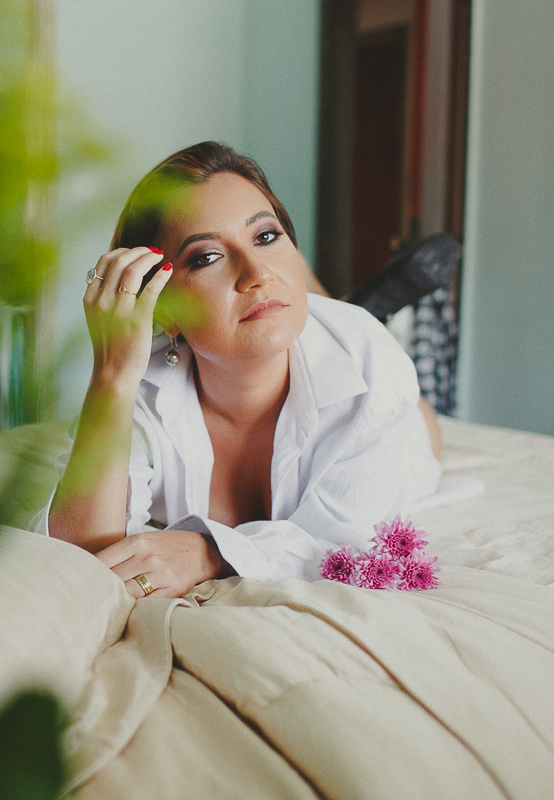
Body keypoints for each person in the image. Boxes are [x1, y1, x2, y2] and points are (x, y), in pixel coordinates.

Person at [34, 142, 441, 599]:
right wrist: (111, 377)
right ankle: (317, 295)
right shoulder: (138, 383)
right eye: (207, 257)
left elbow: (349, 545)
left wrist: (209, 551)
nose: (255, 273)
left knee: (420, 422)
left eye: (266, 237)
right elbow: (79, 554)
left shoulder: (369, 362)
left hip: (380, 383)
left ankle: (337, 307)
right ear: (164, 308)